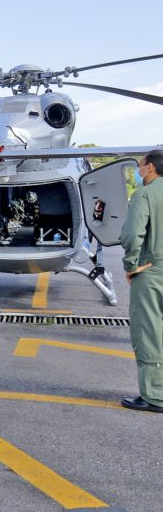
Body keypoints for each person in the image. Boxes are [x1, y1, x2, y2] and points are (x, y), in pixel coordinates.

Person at [119, 149, 163, 413]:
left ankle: (155, 395)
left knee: (149, 333)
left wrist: (131, 265)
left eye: (139, 165)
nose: (138, 170)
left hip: (152, 271)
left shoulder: (145, 194)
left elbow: (132, 234)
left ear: (150, 168)